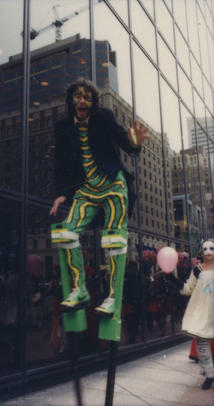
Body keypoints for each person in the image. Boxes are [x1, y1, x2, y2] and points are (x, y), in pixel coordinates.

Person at [50, 77, 149, 317]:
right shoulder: (63, 127)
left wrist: (135, 143)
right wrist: (61, 194)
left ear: (93, 102)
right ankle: (80, 290)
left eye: (86, 97)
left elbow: (125, 142)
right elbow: (61, 163)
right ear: (71, 100)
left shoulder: (104, 118)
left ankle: (113, 297)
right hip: (86, 190)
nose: (81, 100)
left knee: (114, 240)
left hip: (113, 184)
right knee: (65, 233)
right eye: (77, 96)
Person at [166, 239, 214, 390]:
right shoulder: (197, 270)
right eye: (205, 249)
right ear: (201, 251)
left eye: (211, 248)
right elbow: (187, 289)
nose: (208, 252)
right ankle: (209, 374)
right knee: (201, 344)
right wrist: (173, 279)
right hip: (202, 312)